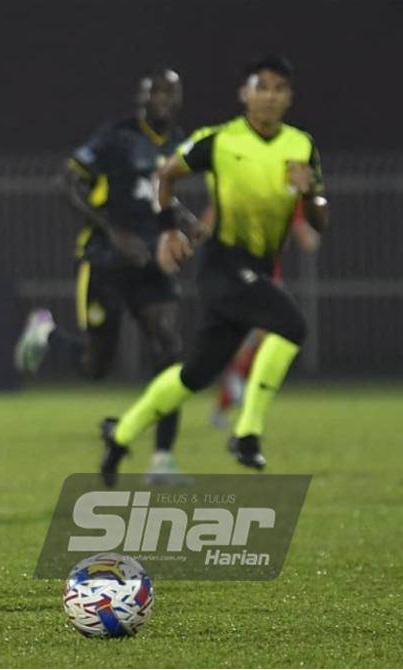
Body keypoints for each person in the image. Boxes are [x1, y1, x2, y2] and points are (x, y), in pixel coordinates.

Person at [98, 55, 329, 485]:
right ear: (245, 94)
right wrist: (168, 231)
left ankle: (120, 435)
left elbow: (319, 219)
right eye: (262, 87)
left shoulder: (301, 146)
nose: (271, 96)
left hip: (253, 272)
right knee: (292, 324)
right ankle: (247, 434)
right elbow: (164, 177)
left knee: (194, 375)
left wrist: (313, 192)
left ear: (289, 97)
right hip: (221, 267)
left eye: (280, 89)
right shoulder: (220, 140)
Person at [14, 68, 191, 482]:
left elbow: (159, 194)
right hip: (106, 261)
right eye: (157, 92)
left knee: (169, 348)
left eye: (172, 92)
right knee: (97, 366)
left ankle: (162, 458)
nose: (164, 99)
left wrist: (185, 221)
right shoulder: (116, 136)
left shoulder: (180, 143)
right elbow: (67, 180)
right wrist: (113, 231)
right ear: (142, 98)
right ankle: (47, 335)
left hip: (151, 264)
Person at [210, 201, 320, 428]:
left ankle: (227, 399)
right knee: (265, 333)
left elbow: (210, 217)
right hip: (257, 275)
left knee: (254, 337)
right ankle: (235, 386)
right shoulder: (284, 193)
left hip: (241, 273)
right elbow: (307, 239)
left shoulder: (247, 185)